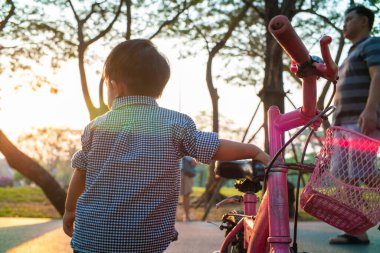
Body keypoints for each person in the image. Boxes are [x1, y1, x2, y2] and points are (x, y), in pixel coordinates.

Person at [62, 39, 270, 253]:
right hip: (145, 242)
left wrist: (70, 210)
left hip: (91, 238)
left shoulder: (96, 127)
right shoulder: (175, 124)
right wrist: (252, 150)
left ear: (115, 86)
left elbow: (81, 172)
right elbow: (214, 148)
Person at [329, 5, 380, 245]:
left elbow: (378, 75)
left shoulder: (372, 44)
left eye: (349, 19)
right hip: (343, 125)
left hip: (362, 121)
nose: (344, 23)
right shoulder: (350, 54)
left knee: (365, 173)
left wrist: (370, 110)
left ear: (364, 21)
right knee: (341, 176)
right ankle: (357, 228)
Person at [180, 156, 197, 222]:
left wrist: (193, 160)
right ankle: (186, 216)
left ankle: (186, 216)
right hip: (175, 169)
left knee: (186, 194)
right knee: (186, 195)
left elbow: (194, 162)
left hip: (185, 172)